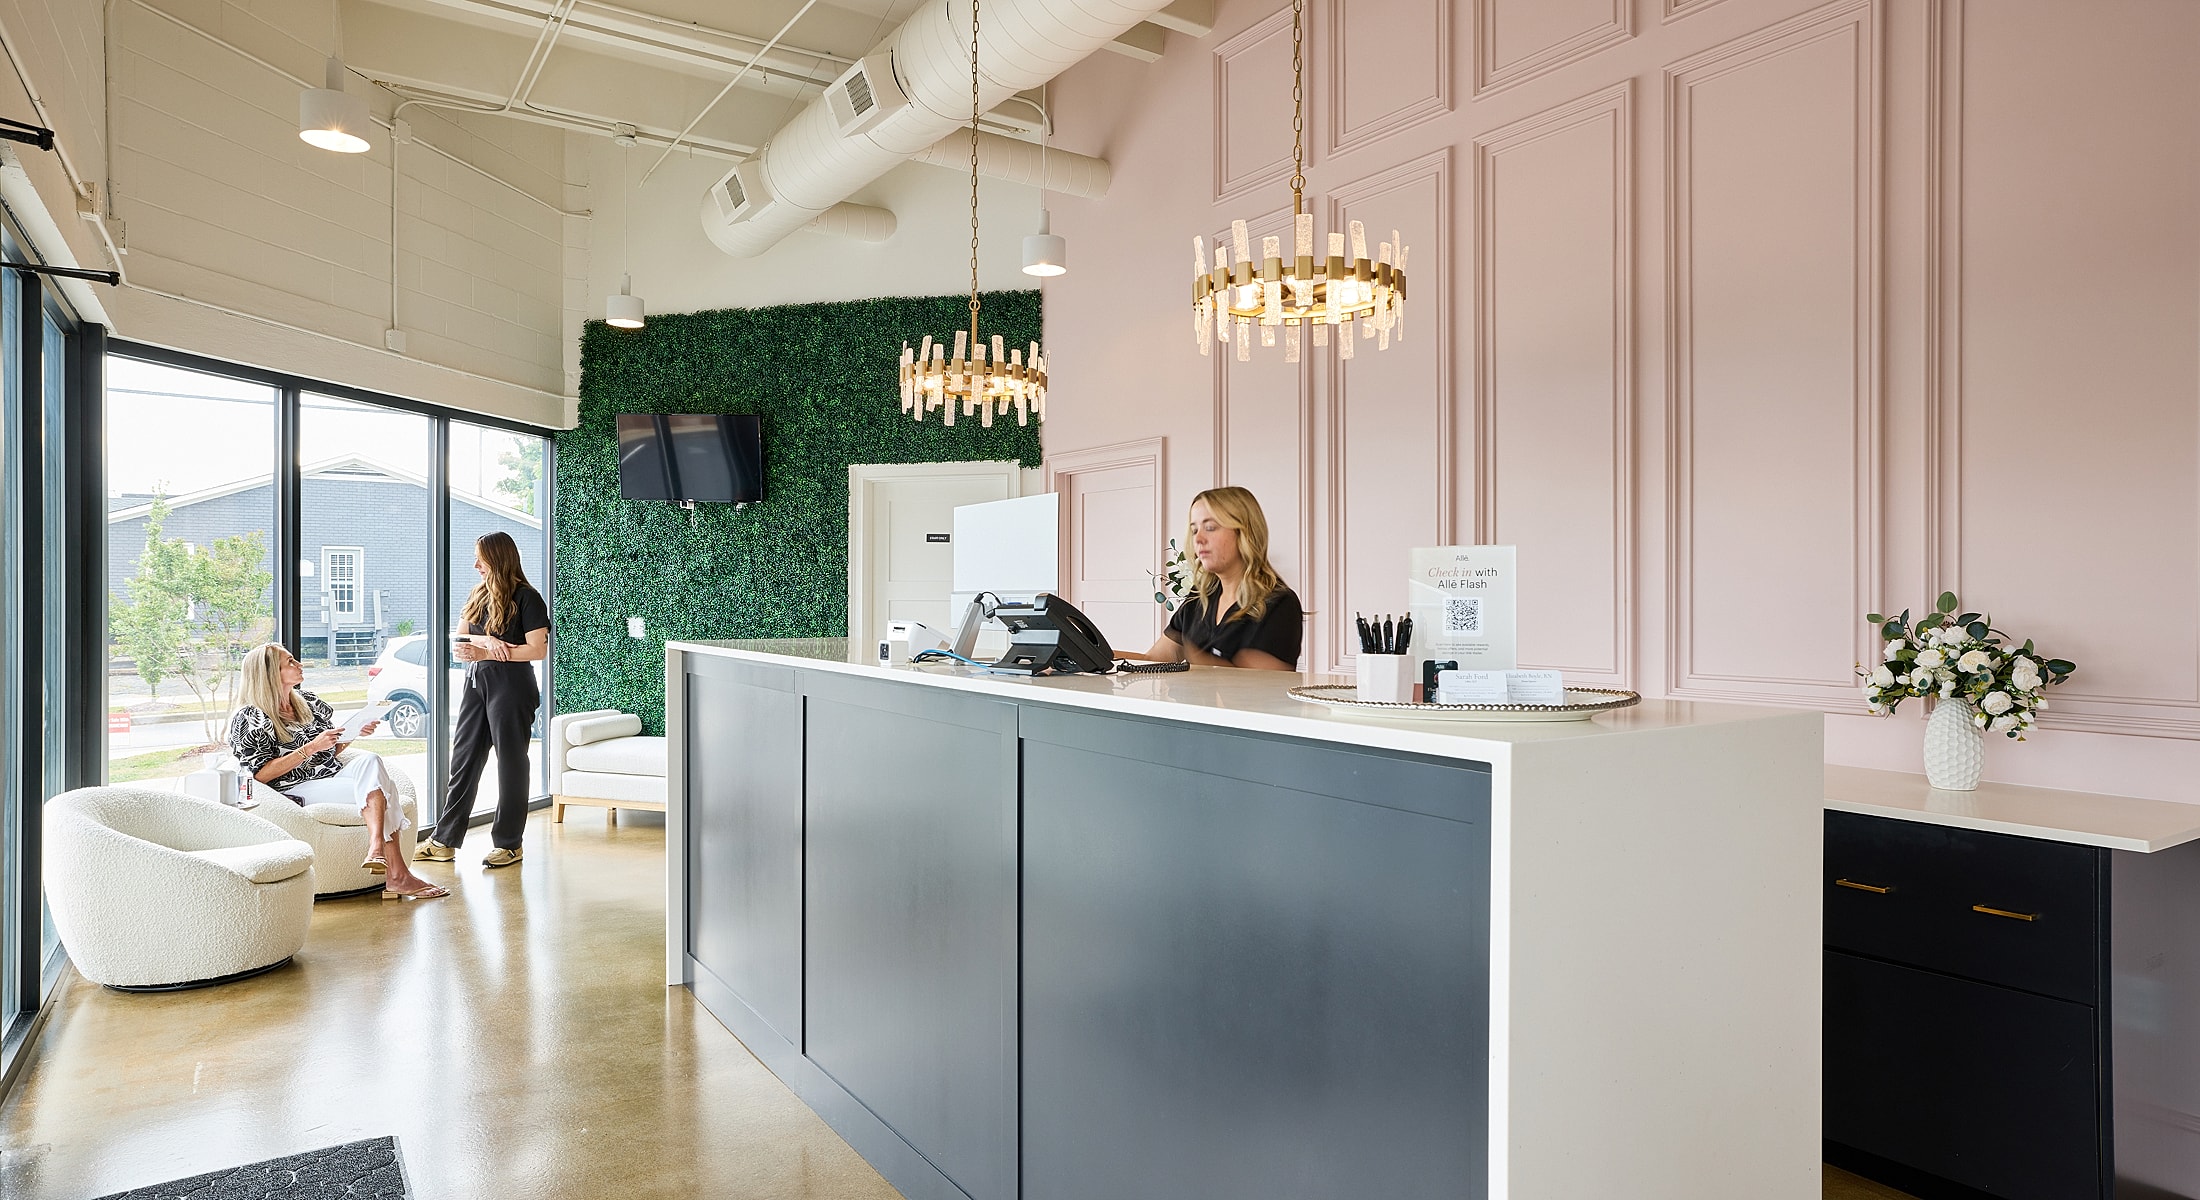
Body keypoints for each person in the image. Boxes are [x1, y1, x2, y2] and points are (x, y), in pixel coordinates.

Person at [228, 643, 448, 900]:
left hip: (329, 776)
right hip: (294, 787)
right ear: (269, 673)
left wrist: (355, 731)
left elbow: (329, 750)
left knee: (372, 762)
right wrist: (310, 748)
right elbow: (260, 775)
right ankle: (397, 874)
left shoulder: (306, 702)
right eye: (290, 662)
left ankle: (378, 848)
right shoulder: (250, 717)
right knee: (383, 791)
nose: (299, 664)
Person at [417, 531, 549, 868]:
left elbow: (538, 649)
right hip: (476, 682)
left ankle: (508, 844)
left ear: (499, 558)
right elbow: (460, 639)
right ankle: (444, 840)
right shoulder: (478, 595)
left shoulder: (527, 598)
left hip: (512, 686)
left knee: (511, 762)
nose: (476, 565)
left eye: (481, 558)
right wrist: (487, 641)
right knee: (464, 758)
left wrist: (486, 647)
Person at [1131, 485, 1304, 670]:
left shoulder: (1280, 603)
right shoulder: (1197, 597)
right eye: (1195, 530)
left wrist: (1201, 659)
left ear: (1245, 532)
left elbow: (1260, 688)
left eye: (1210, 527)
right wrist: (1103, 655)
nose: (1198, 539)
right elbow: (1153, 659)